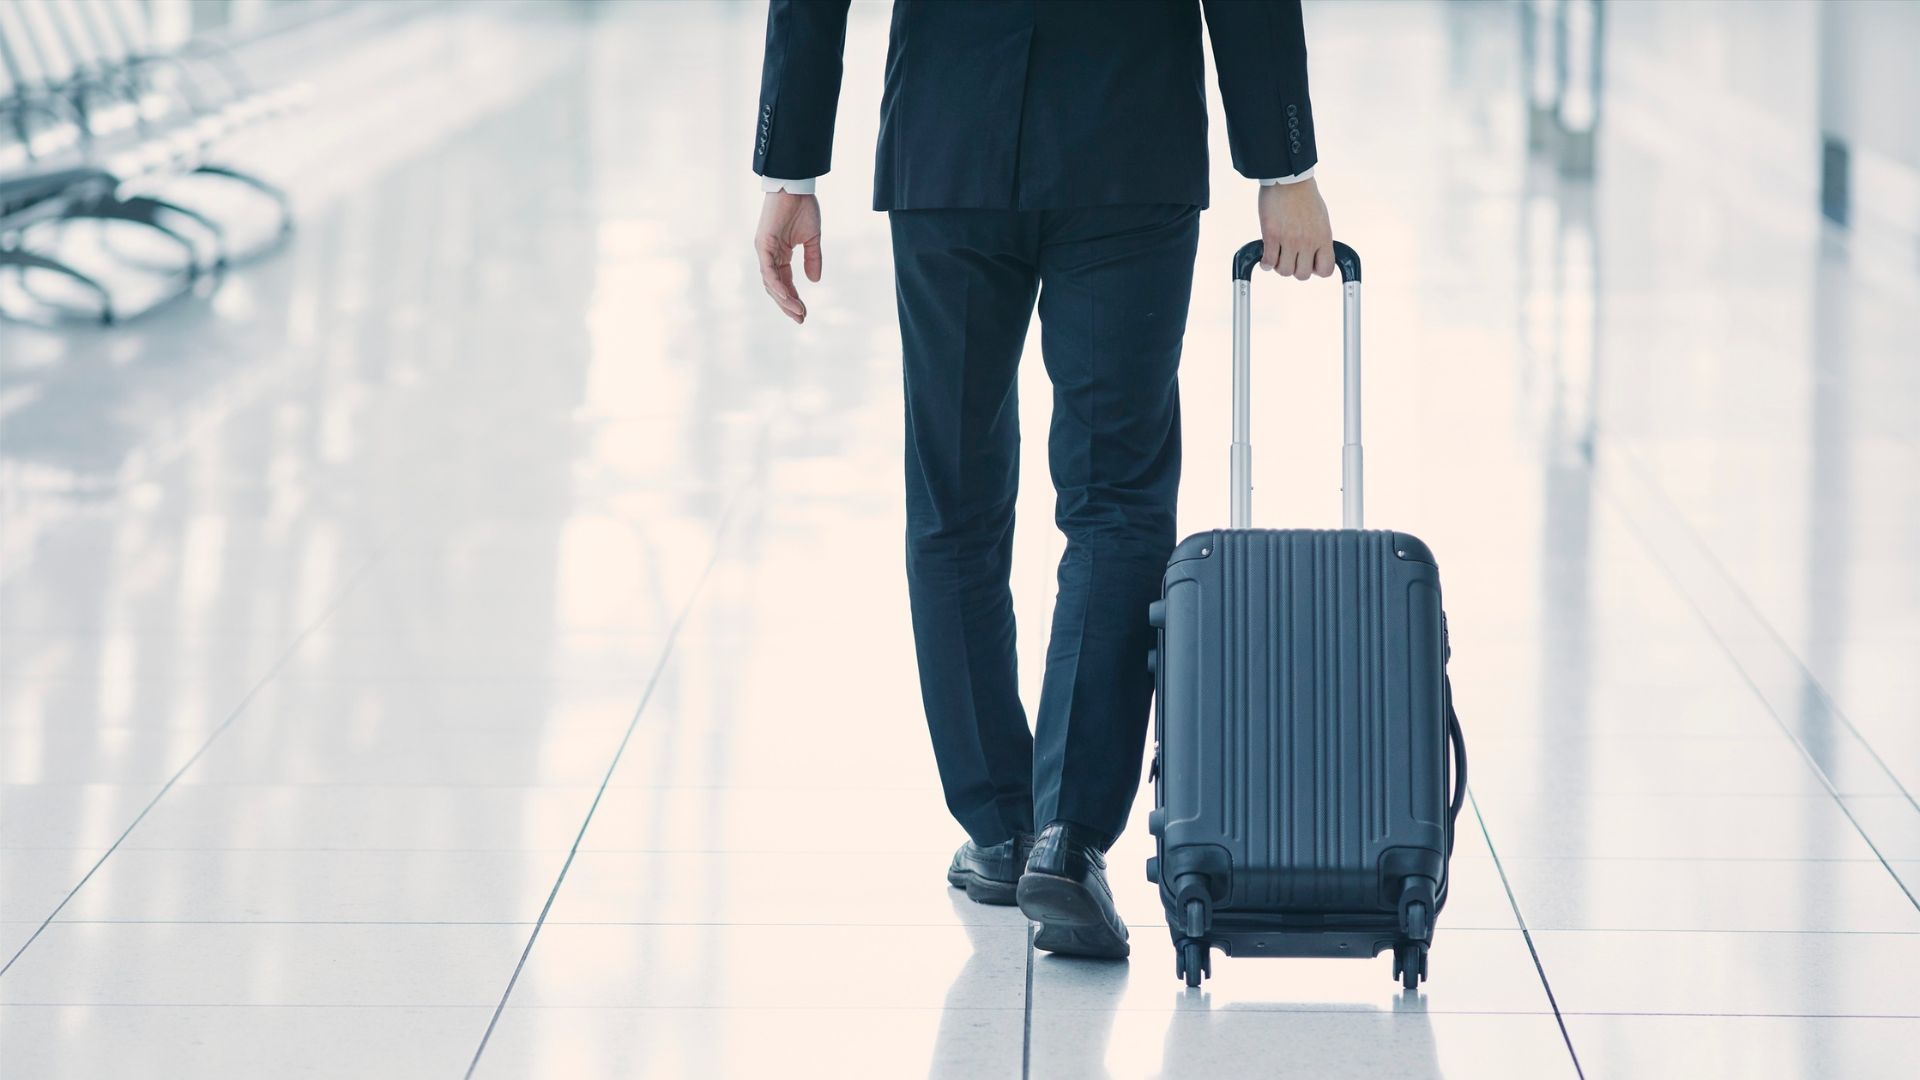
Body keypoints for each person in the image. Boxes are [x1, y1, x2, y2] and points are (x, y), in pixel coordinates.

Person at [752, 0, 1334, 960]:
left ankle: (999, 827)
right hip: (1127, 142)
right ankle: (1066, 839)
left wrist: (791, 166)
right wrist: (1282, 166)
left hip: (949, 140)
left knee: (954, 502)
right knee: (1116, 501)